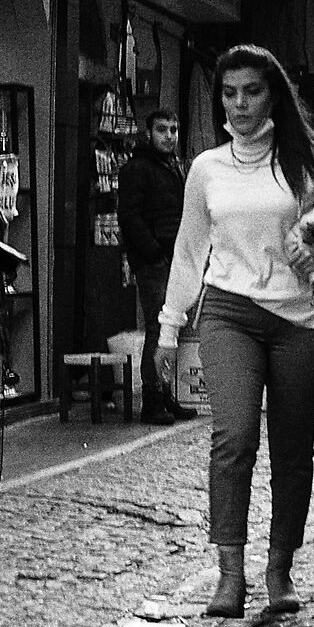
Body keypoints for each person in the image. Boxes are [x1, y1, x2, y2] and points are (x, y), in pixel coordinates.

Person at [155, 43, 314, 618]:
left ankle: (279, 570)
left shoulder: (311, 158)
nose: (239, 104)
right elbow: (189, 249)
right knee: (234, 437)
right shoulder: (206, 167)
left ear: (274, 95)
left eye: (252, 91)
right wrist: (169, 327)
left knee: (292, 449)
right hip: (229, 312)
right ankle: (229, 576)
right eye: (229, 92)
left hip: (302, 321)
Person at [118, 110, 192, 422]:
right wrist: (152, 252)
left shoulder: (173, 166)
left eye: (174, 129)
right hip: (155, 260)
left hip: (172, 256)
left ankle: (164, 394)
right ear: (148, 133)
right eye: (162, 129)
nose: (169, 136)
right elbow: (128, 215)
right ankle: (152, 399)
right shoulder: (138, 168)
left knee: (169, 327)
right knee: (158, 326)